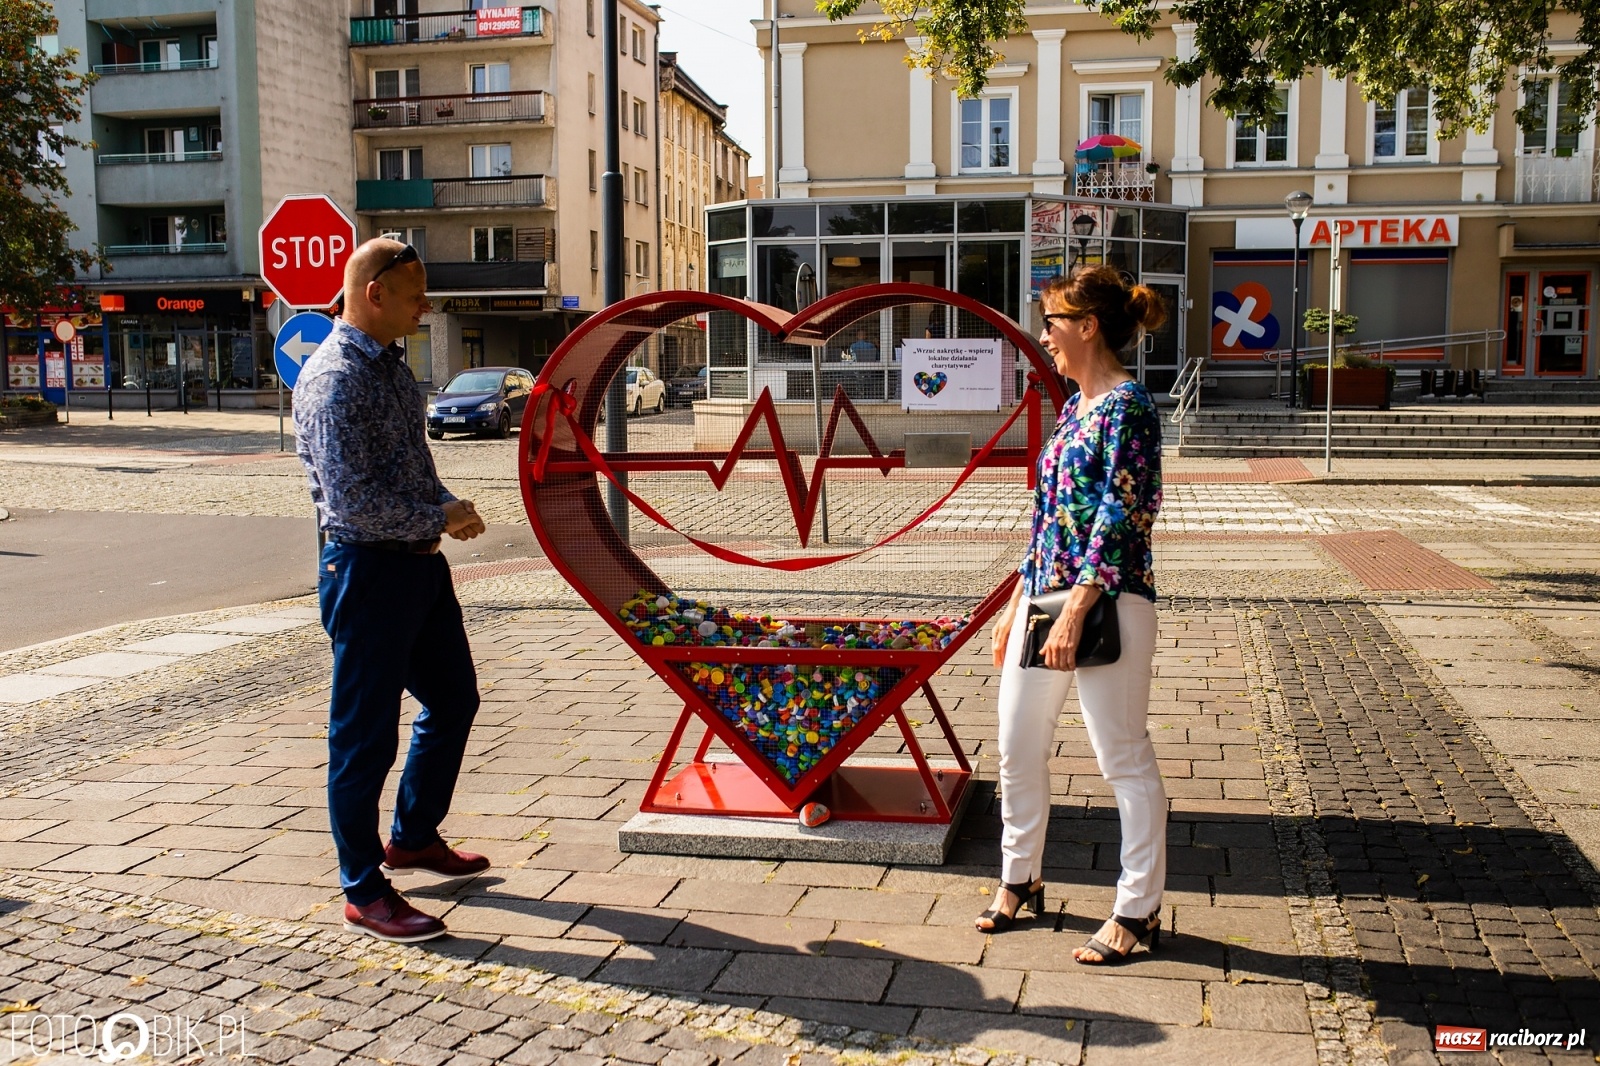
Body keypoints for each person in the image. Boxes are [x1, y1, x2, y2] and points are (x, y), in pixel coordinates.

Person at [294, 238, 492, 944]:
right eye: (415, 294)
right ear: (374, 293)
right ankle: (363, 886)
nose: (426, 306)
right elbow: (350, 507)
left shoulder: (389, 370)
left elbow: (412, 465)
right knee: (363, 736)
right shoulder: (335, 381)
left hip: (416, 565)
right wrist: (435, 516)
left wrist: (446, 504)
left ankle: (411, 837)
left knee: (454, 698)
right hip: (367, 572)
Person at [979, 266, 1167, 966]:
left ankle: (1138, 909)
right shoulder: (1072, 409)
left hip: (1110, 601)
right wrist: (1016, 602)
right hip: (1044, 596)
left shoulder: (1129, 408)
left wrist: (1074, 608)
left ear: (1086, 326)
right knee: (1016, 742)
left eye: (1052, 321)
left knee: (1122, 757)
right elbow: (1049, 520)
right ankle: (1019, 879)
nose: (1044, 335)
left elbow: (1124, 516)